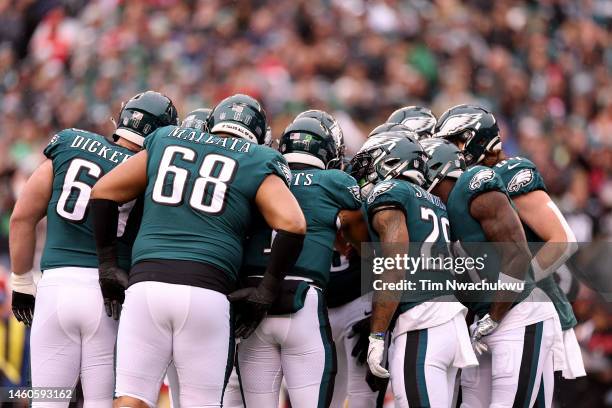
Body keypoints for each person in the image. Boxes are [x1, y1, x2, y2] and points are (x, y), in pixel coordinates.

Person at [89, 94, 306, 408]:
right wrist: (267, 290)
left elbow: (104, 191)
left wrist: (107, 264)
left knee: (131, 398)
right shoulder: (256, 158)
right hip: (207, 290)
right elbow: (293, 223)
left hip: (146, 284)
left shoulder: (165, 139)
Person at [9, 90, 178, 407]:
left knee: (47, 400)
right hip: (111, 296)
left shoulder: (71, 143)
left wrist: (20, 281)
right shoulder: (152, 167)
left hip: (55, 288)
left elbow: (21, 217)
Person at [436, 103, 584, 406]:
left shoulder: (509, 172)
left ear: (474, 138)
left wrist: (515, 285)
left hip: (525, 309)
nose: (449, 152)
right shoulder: (469, 183)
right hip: (496, 312)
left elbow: (562, 240)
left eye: (453, 142)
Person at [237, 115, 363, 408]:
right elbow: (362, 240)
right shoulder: (336, 183)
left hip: (252, 303)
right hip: (302, 303)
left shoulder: (257, 172)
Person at [350, 132, 477, 408]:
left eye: (370, 163)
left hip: (422, 325)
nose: (365, 172)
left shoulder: (390, 191)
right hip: (451, 322)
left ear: (392, 161)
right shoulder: (437, 203)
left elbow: (394, 266)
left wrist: (377, 334)